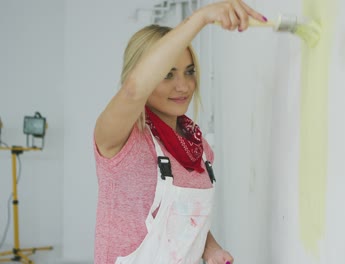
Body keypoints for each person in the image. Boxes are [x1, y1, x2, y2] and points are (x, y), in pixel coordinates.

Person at [93, 1, 267, 263]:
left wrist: (210, 248)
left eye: (189, 72)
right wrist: (201, 18)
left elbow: (182, 218)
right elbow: (133, 90)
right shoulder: (120, 139)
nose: (183, 86)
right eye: (167, 74)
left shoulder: (199, 150)